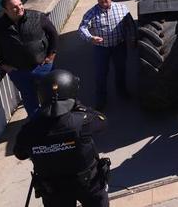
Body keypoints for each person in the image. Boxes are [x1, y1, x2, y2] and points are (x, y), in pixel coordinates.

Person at [14, 70, 110, 207]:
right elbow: (103, 122)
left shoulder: (29, 130)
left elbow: (20, 153)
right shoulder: (82, 122)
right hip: (87, 184)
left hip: (53, 190)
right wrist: (80, 107)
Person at [0, 0, 58, 119]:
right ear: (5, 10)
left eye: (20, 4)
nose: (19, 8)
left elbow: (53, 34)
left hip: (43, 67)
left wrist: (51, 56)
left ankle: (54, 121)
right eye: (14, 7)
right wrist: (4, 65)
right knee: (29, 99)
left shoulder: (37, 17)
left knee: (51, 95)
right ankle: (37, 126)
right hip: (19, 71)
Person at [78, 0, 135, 110]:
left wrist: (131, 38)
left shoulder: (122, 8)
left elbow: (130, 24)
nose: (102, 0)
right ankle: (101, 100)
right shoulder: (91, 13)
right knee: (101, 74)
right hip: (101, 49)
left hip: (119, 46)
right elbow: (82, 28)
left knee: (120, 70)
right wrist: (90, 38)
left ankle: (122, 92)